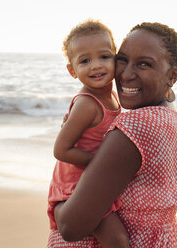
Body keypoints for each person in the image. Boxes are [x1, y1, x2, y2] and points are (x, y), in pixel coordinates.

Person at [49, 22, 177, 247]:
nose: (126, 73)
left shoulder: (135, 125)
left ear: (173, 76)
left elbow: (70, 227)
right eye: (122, 60)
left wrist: (56, 207)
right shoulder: (170, 115)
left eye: (144, 64)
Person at [47, 20, 130, 247]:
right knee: (117, 240)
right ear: (72, 71)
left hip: (93, 179)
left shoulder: (113, 97)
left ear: (116, 59)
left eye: (104, 57)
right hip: (74, 186)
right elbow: (61, 150)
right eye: (85, 61)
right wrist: (100, 163)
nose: (96, 66)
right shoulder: (87, 104)